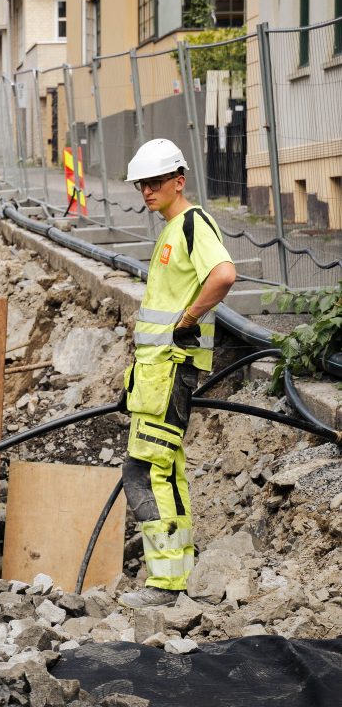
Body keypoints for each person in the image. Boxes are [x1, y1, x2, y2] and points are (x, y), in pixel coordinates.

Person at [118, 138, 236, 609]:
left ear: (178, 181)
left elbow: (224, 275)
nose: (146, 190)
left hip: (170, 372)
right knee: (165, 471)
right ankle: (175, 575)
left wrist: (187, 321)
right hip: (155, 375)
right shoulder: (171, 228)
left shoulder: (190, 223)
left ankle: (165, 585)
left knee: (145, 473)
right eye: (141, 184)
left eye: (155, 182)